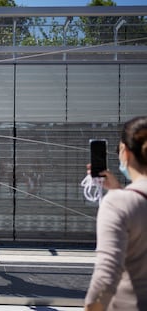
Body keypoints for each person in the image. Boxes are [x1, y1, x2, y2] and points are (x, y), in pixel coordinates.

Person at [84, 116, 147, 311]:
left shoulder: (119, 203)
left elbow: (106, 277)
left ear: (125, 152)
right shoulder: (122, 199)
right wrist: (118, 189)